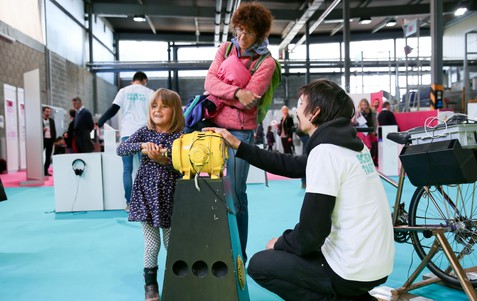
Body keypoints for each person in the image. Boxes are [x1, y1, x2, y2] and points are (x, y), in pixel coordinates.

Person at [204, 79, 394, 301]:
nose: (297, 110)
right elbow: (292, 165)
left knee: (260, 264)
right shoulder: (350, 145)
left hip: (352, 270)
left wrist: (280, 242)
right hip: (377, 264)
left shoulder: (326, 153)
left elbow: (311, 234)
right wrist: (239, 145)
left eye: (301, 103)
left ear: (315, 113)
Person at [202, 2, 276, 262]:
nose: (241, 37)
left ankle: (238, 255)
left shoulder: (267, 63)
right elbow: (209, 82)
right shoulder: (225, 48)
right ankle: (216, 248)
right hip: (211, 125)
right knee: (208, 189)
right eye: (238, 30)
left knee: (235, 195)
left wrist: (221, 92)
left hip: (241, 134)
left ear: (260, 34)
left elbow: (251, 100)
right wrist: (235, 91)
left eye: (248, 33)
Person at [116, 88, 184, 301]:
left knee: (171, 243)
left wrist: (165, 161)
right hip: (146, 196)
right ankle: (150, 285)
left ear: (175, 111)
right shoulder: (144, 132)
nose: (158, 110)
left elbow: (184, 165)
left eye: (164, 106)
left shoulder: (181, 136)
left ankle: (176, 280)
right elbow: (121, 149)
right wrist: (142, 146)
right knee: (151, 243)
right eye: (154, 106)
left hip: (171, 196)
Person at [98, 71, 154, 212]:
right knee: (145, 170)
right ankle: (146, 203)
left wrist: (99, 122)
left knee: (127, 170)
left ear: (132, 81)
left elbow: (113, 109)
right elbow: (154, 114)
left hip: (127, 134)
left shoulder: (123, 91)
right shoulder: (150, 92)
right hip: (144, 134)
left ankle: (129, 203)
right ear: (145, 80)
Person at [357, 98, 378, 167]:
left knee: (370, 148)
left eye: (365, 105)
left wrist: (373, 131)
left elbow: (374, 123)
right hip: (360, 133)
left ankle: (371, 161)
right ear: (360, 105)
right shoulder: (358, 113)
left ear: (367, 105)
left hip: (369, 133)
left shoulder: (371, 113)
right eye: (362, 105)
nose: (364, 106)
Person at [42, 106, 56, 176]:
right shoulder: (40, 120)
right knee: (39, 156)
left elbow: (54, 131)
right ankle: (39, 171)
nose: (48, 113)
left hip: (50, 140)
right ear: (43, 112)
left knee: (48, 156)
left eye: (49, 112)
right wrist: (42, 130)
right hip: (42, 140)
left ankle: (45, 171)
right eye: (47, 111)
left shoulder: (51, 121)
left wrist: (54, 140)